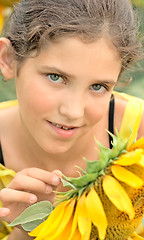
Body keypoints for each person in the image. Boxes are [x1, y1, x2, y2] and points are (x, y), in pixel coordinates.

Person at [0, 0, 144, 239]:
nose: (74, 111)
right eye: (56, 77)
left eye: (98, 86)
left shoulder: (138, 135)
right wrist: (29, 230)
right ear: (8, 59)